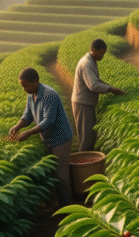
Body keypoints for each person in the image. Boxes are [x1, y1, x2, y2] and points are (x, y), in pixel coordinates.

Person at [8, 67, 75, 206]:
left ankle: (67, 208)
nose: (24, 89)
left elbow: (48, 121)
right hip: (48, 139)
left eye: (25, 85)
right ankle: (60, 202)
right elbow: (27, 115)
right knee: (54, 173)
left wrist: (28, 132)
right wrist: (17, 126)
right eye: (22, 86)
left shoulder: (49, 95)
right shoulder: (31, 94)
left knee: (61, 176)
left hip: (60, 139)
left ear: (36, 81)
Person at [71, 38, 126, 152]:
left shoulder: (91, 61)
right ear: (94, 51)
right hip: (82, 103)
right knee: (86, 137)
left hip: (85, 103)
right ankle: (83, 164)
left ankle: (86, 160)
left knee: (89, 135)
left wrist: (111, 87)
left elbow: (97, 80)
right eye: (101, 53)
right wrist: (111, 89)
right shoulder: (87, 63)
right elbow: (93, 85)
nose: (102, 56)